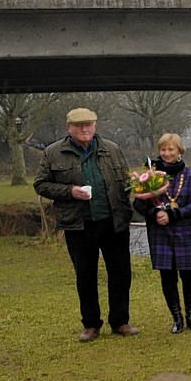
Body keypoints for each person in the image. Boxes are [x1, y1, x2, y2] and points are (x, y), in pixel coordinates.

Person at [33, 107, 141, 342]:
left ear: (95, 125)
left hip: (114, 222)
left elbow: (125, 182)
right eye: (79, 125)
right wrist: (69, 191)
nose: (84, 129)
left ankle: (120, 321)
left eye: (88, 124)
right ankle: (91, 325)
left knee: (121, 273)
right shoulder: (53, 153)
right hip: (79, 225)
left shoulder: (112, 149)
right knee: (85, 275)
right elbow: (40, 184)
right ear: (68, 128)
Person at [135, 133, 191, 333]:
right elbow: (138, 203)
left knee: (189, 275)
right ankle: (177, 319)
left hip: (187, 230)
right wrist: (155, 212)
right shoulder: (150, 175)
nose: (166, 153)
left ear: (179, 151)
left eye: (171, 149)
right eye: (163, 150)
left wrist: (173, 215)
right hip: (161, 233)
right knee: (167, 276)